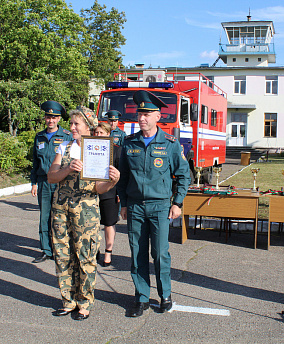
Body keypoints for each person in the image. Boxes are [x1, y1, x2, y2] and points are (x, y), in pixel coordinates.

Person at [117, 90, 191, 317]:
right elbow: (123, 176)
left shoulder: (169, 144)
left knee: (160, 253)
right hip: (136, 207)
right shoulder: (129, 143)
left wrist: (177, 202)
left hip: (160, 206)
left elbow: (184, 175)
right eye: (140, 113)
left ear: (158, 116)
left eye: (148, 114)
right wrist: (124, 203)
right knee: (137, 253)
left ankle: (165, 294)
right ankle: (141, 297)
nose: (142, 118)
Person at [47, 106, 120, 320]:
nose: (71, 128)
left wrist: (111, 181)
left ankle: (84, 302)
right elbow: (51, 177)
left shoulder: (99, 149)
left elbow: (99, 188)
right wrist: (67, 169)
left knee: (85, 256)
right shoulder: (65, 147)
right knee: (62, 255)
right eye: (71, 124)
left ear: (88, 127)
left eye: (76, 124)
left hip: (86, 211)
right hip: (61, 209)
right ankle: (68, 301)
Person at [30, 100, 72, 263]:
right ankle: (46, 250)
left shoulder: (66, 136)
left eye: (54, 117)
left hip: (61, 182)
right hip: (43, 182)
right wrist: (33, 182)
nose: (51, 120)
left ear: (59, 119)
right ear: (45, 118)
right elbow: (35, 162)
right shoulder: (39, 136)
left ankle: (61, 249)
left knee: (62, 216)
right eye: (48, 117)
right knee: (45, 216)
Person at [94, 122, 122, 266]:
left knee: (109, 223)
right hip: (92, 191)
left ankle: (108, 252)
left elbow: (121, 174)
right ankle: (95, 250)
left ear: (108, 134)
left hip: (110, 192)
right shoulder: (89, 148)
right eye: (96, 133)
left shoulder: (116, 150)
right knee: (93, 224)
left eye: (101, 133)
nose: (98, 135)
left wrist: (120, 193)